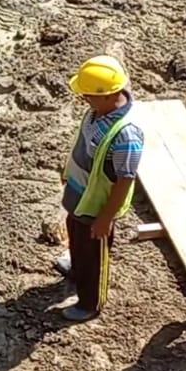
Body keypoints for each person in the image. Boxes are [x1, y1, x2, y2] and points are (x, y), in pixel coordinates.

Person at [52, 55, 144, 322]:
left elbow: (124, 179)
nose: (83, 99)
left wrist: (105, 218)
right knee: (76, 233)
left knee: (95, 253)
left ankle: (90, 302)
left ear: (107, 95)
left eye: (88, 95)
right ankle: (77, 266)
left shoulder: (126, 135)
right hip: (79, 193)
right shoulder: (98, 111)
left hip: (97, 204)